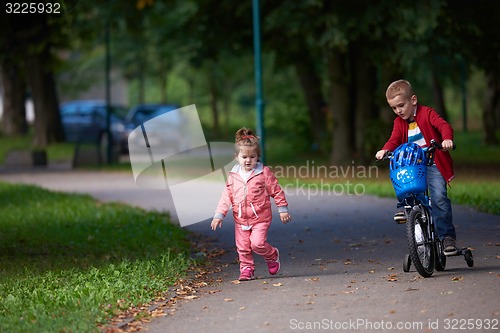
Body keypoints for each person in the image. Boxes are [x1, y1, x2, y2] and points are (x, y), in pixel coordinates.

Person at [375, 79, 458, 255]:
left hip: (433, 162)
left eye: (401, 105)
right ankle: (405, 207)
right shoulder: (399, 123)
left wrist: (446, 139)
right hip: (414, 165)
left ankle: (447, 238)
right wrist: (385, 149)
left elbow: (443, 125)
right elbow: (395, 139)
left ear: (413, 100)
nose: (398, 111)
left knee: (439, 198)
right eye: (394, 108)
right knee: (404, 181)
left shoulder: (427, 113)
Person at [211, 127, 292, 281]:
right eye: (244, 157)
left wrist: (283, 209)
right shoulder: (233, 176)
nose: (248, 160)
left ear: (257, 157)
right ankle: (247, 269)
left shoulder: (263, 173)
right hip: (240, 218)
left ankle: (271, 254)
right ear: (237, 157)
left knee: (257, 243)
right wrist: (219, 215)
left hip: (260, 217)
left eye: (252, 157)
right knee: (242, 247)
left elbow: (276, 190)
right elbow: (226, 196)